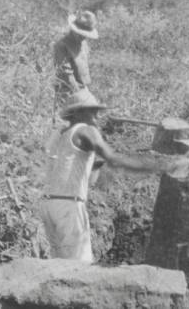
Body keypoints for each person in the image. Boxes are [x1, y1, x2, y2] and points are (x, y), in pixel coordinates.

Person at [40, 88, 161, 261]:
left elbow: (83, 178)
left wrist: (94, 164)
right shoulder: (86, 131)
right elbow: (114, 159)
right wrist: (155, 166)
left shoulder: (60, 135)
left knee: (59, 267)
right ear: (78, 112)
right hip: (69, 207)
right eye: (93, 113)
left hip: (48, 205)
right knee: (78, 269)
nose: (97, 118)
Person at [52, 10, 99, 108]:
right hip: (67, 91)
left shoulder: (83, 44)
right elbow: (67, 76)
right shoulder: (62, 46)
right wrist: (82, 97)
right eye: (81, 34)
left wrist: (85, 91)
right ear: (73, 30)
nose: (83, 37)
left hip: (82, 89)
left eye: (85, 35)